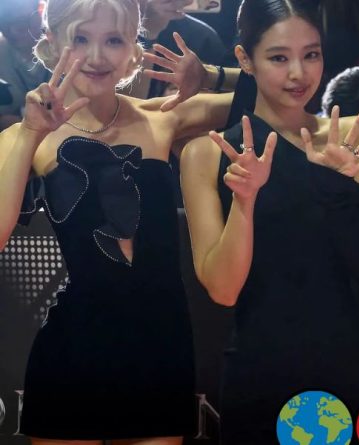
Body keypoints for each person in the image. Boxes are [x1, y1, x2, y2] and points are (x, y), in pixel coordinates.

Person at [0, 0, 233, 442]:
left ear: (132, 50)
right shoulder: (26, 134)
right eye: (80, 39)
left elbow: (275, 91)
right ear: (53, 44)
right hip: (72, 351)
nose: (96, 56)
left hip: (162, 349)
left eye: (113, 40)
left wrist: (211, 76)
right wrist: (31, 134)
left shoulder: (163, 117)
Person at [178, 0, 359, 442]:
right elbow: (223, 289)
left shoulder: (355, 139)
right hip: (258, 369)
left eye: (311, 54)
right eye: (279, 57)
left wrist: (338, 187)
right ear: (245, 59)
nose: (298, 73)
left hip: (344, 368)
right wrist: (245, 201)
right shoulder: (207, 154)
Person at [0, 0, 50, 130]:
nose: (12, 31)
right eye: (4, 24)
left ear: (41, 12)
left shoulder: (64, 48)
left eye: (21, 23)